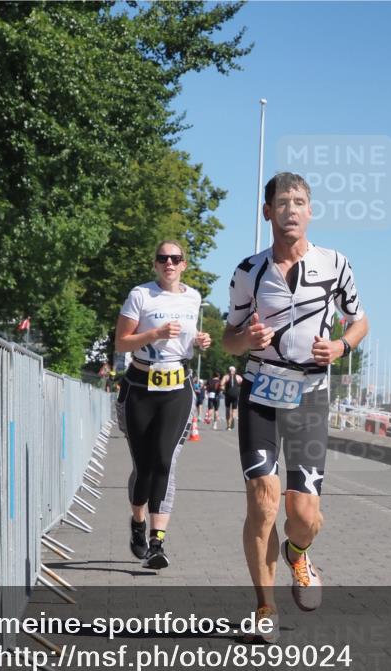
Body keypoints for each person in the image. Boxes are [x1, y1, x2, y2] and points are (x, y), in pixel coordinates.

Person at [222, 172, 368, 640]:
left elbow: (360, 321)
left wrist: (342, 347)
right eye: (282, 202)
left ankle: (298, 553)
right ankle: (265, 607)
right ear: (267, 211)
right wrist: (246, 338)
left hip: (310, 396)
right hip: (261, 392)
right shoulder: (248, 271)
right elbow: (229, 339)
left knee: (302, 515)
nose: (291, 209)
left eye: (300, 202)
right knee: (263, 501)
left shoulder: (335, 264)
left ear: (310, 211)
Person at [114, 240, 211, 570]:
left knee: (164, 462)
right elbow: (122, 341)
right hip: (140, 386)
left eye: (175, 258)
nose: (169, 263)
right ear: (155, 264)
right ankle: (138, 523)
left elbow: (188, 338)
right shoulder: (141, 295)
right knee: (143, 468)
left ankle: (157, 543)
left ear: (184, 264)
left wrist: (199, 340)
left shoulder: (193, 297)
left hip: (176, 388)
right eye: (162, 258)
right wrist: (152, 334)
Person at [220, 365, 243, 430]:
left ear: (229, 370)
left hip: (228, 394)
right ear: (235, 371)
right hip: (236, 395)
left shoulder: (226, 376)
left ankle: (228, 425)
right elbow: (243, 383)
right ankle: (232, 421)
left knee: (227, 409)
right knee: (234, 410)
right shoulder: (238, 377)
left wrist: (223, 388)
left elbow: (221, 384)